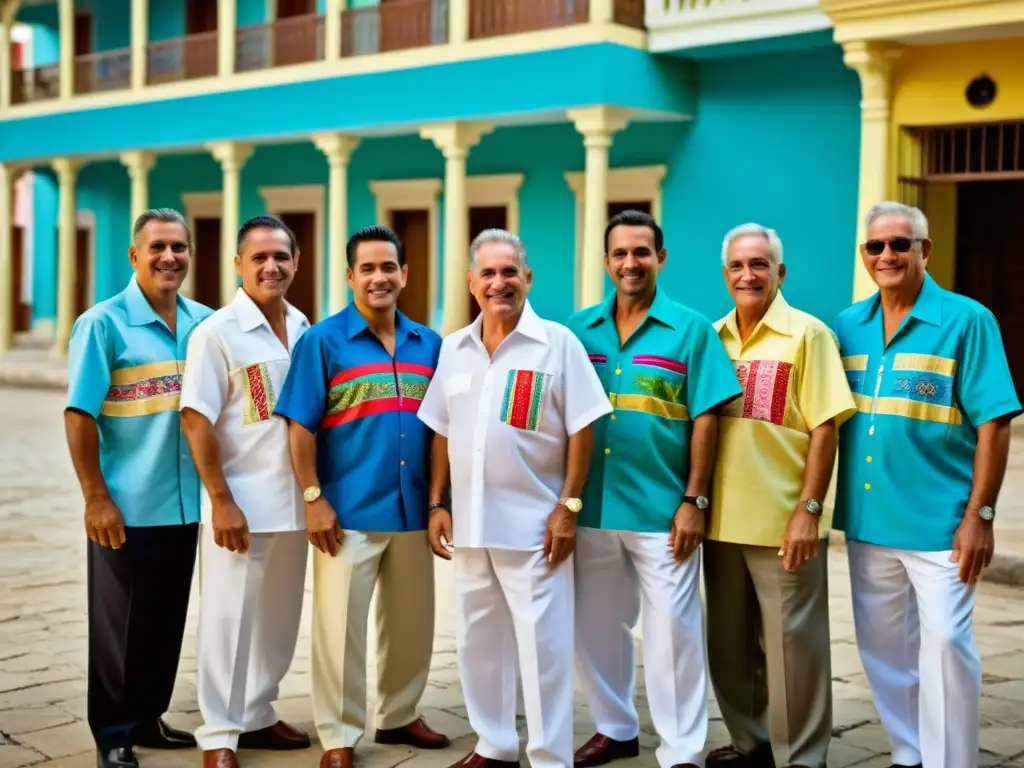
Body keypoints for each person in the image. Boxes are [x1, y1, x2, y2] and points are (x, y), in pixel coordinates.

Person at [834, 201, 1021, 768]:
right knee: (884, 653)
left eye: (900, 244)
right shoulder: (847, 326)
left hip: (942, 523)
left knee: (945, 648)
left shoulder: (967, 320)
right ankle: (909, 753)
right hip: (869, 523)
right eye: (876, 246)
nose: (887, 254)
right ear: (865, 256)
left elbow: (994, 423)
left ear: (925, 251)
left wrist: (980, 516)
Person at [418, 228, 613, 768]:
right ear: (471, 283)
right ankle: (494, 745)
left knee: (544, 650)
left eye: (510, 272)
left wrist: (568, 507)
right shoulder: (454, 348)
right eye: (488, 273)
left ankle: (551, 756)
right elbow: (439, 429)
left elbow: (583, 428)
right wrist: (438, 503)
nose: (499, 283)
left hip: (535, 529)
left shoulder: (558, 344)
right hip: (471, 527)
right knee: (479, 643)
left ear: (527, 278)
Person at [565, 210, 740, 768]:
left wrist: (694, 501)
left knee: (673, 634)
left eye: (641, 252)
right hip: (591, 505)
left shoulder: (692, 331)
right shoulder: (576, 330)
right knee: (595, 626)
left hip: (663, 510)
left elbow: (707, 418)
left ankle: (682, 749)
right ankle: (615, 728)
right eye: (620, 253)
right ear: (606, 262)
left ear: (660, 258)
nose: (630, 263)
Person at [274, 225, 449, 768]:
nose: (379, 277)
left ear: (404, 274)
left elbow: (442, 428)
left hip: (413, 510)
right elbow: (299, 426)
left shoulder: (431, 344)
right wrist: (312, 497)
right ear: (350, 276)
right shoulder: (321, 342)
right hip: (346, 511)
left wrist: (441, 502)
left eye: (388, 267)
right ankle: (340, 735)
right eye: (367, 268)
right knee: (338, 629)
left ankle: (399, 715)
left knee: (413, 623)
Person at [64, 208, 213, 768]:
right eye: (156, 248)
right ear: (134, 256)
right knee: (119, 625)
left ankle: (148, 716)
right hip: (125, 505)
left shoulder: (203, 324)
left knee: (165, 619)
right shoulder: (102, 324)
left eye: (178, 246)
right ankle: (114, 731)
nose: (168, 257)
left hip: (183, 505)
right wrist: (95, 496)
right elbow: (79, 414)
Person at [703, 223, 857, 768]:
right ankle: (751, 743)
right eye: (739, 266)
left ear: (779, 272)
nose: (749, 275)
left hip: (780, 518)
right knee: (728, 645)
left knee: (794, 647)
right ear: (725, 276)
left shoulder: (808, 335)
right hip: (718, 521)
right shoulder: (712, 337)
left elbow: (825, 428)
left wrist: (808, 511)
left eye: (760, 264)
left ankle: (802, 757)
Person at [179, 215, 314, 768]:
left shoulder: (305, 326)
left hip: (295, 505)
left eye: (280, 256)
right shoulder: (217, 333)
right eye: (258, 257)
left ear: (296, 262)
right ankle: (219, 733)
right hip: (240, 506)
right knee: (229, 620)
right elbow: (195, 420)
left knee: (279, 621)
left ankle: (257, 712)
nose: (271, 266)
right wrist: (222, 500)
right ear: (238, 265)